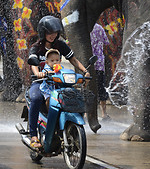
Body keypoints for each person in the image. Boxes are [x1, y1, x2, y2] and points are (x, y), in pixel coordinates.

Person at [28, 15, 90, 148]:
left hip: (57, 82)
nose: (52, 35)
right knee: (36, 98)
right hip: (41, 83)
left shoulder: (60, 45)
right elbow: (33, 64)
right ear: (43, 32)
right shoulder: (36, 47)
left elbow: (73, 59)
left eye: (55, 32)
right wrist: (37, 73)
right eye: (49, 32)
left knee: (72, 97)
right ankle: (33, 136)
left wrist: (85, 71)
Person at [90, 23, 110, 121]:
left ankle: (87, 113)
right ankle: (104, 113)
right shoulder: (99, 27)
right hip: (99, 62)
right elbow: (106, 43)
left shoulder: (83, 28)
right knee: (101, 87)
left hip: (87, 63)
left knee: (88, 87)